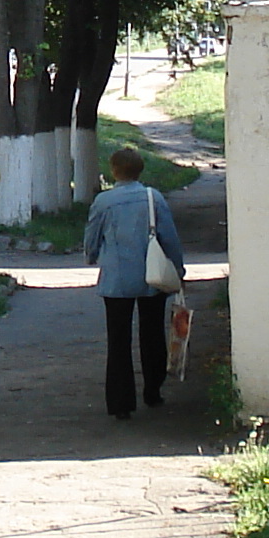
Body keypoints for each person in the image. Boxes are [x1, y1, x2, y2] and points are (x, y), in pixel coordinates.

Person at [82, 145, 183, 421]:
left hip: (116, 279)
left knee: (118, 340)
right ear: (140, 170)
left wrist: (91, 256)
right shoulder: (153, 198)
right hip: (152, 276)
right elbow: (169, 238)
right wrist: (179, 270)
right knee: (152, 334)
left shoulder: (104, 201)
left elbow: (92, 234)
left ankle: (121, 402)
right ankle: (153, 390)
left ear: (113, 171)